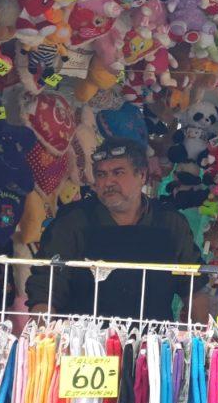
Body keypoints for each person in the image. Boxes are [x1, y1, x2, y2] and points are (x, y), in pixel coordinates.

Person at [25, 137, 208, 320]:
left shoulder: (170, 223)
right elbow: (45, 289)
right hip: (81, 335)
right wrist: (44, 334)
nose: (108, 182)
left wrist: (201, 334)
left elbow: (194, 287)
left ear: (142, 175)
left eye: (118, 172)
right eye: (101, 175)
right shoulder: (72, 221)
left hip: (153, 335)